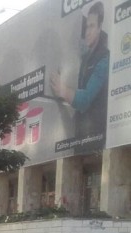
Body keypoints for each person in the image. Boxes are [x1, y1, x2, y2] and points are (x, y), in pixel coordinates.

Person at [50, 1, 109, 140]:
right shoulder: (87, 57)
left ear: (100, 27)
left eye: (92, 26)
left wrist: (63, 90)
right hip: (81, 135)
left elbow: (85, 99)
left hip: (96, 137)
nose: (87, 32)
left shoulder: (105, 59)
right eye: (86, 26)